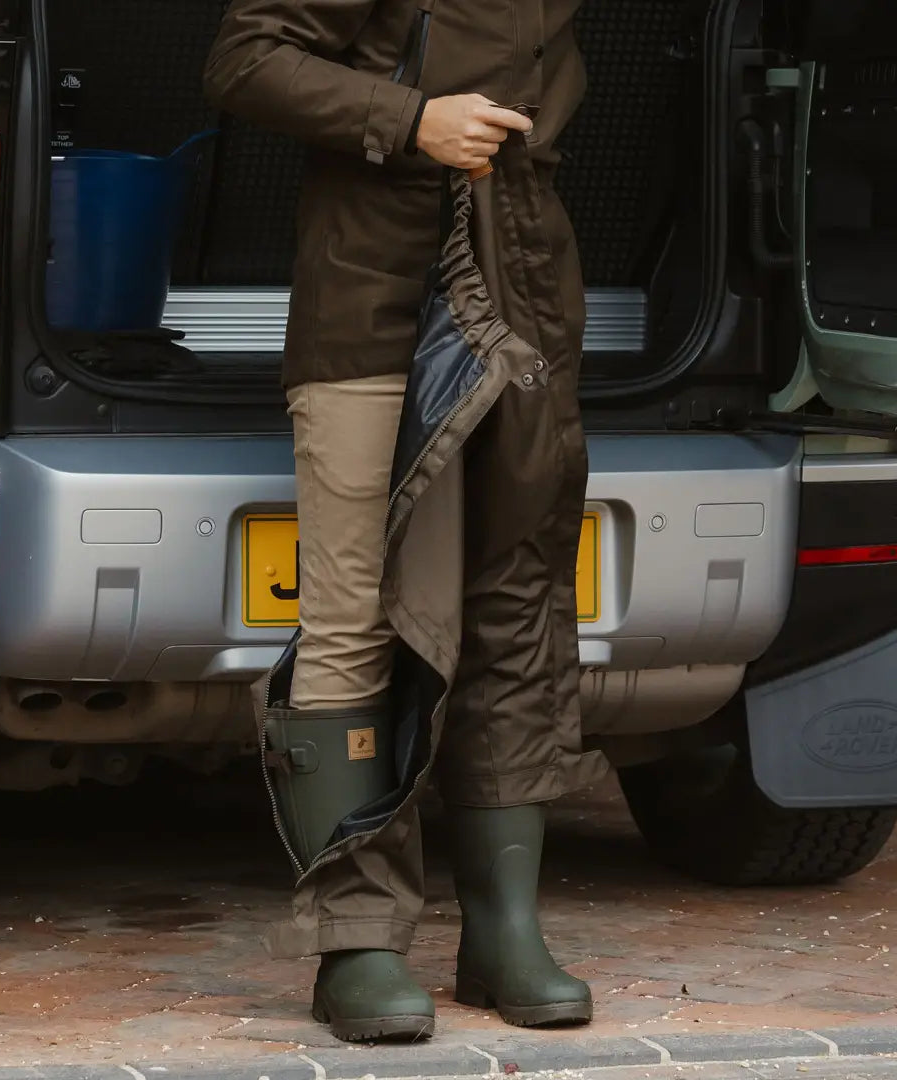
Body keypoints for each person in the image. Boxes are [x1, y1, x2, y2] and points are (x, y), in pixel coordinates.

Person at [204, 0, 596, 1044]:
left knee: (519, 601)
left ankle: (504, 931)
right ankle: (357, 941)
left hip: (521, 292)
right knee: (352, 612)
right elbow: (244, 60)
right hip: (369, 307)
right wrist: (411, 116)